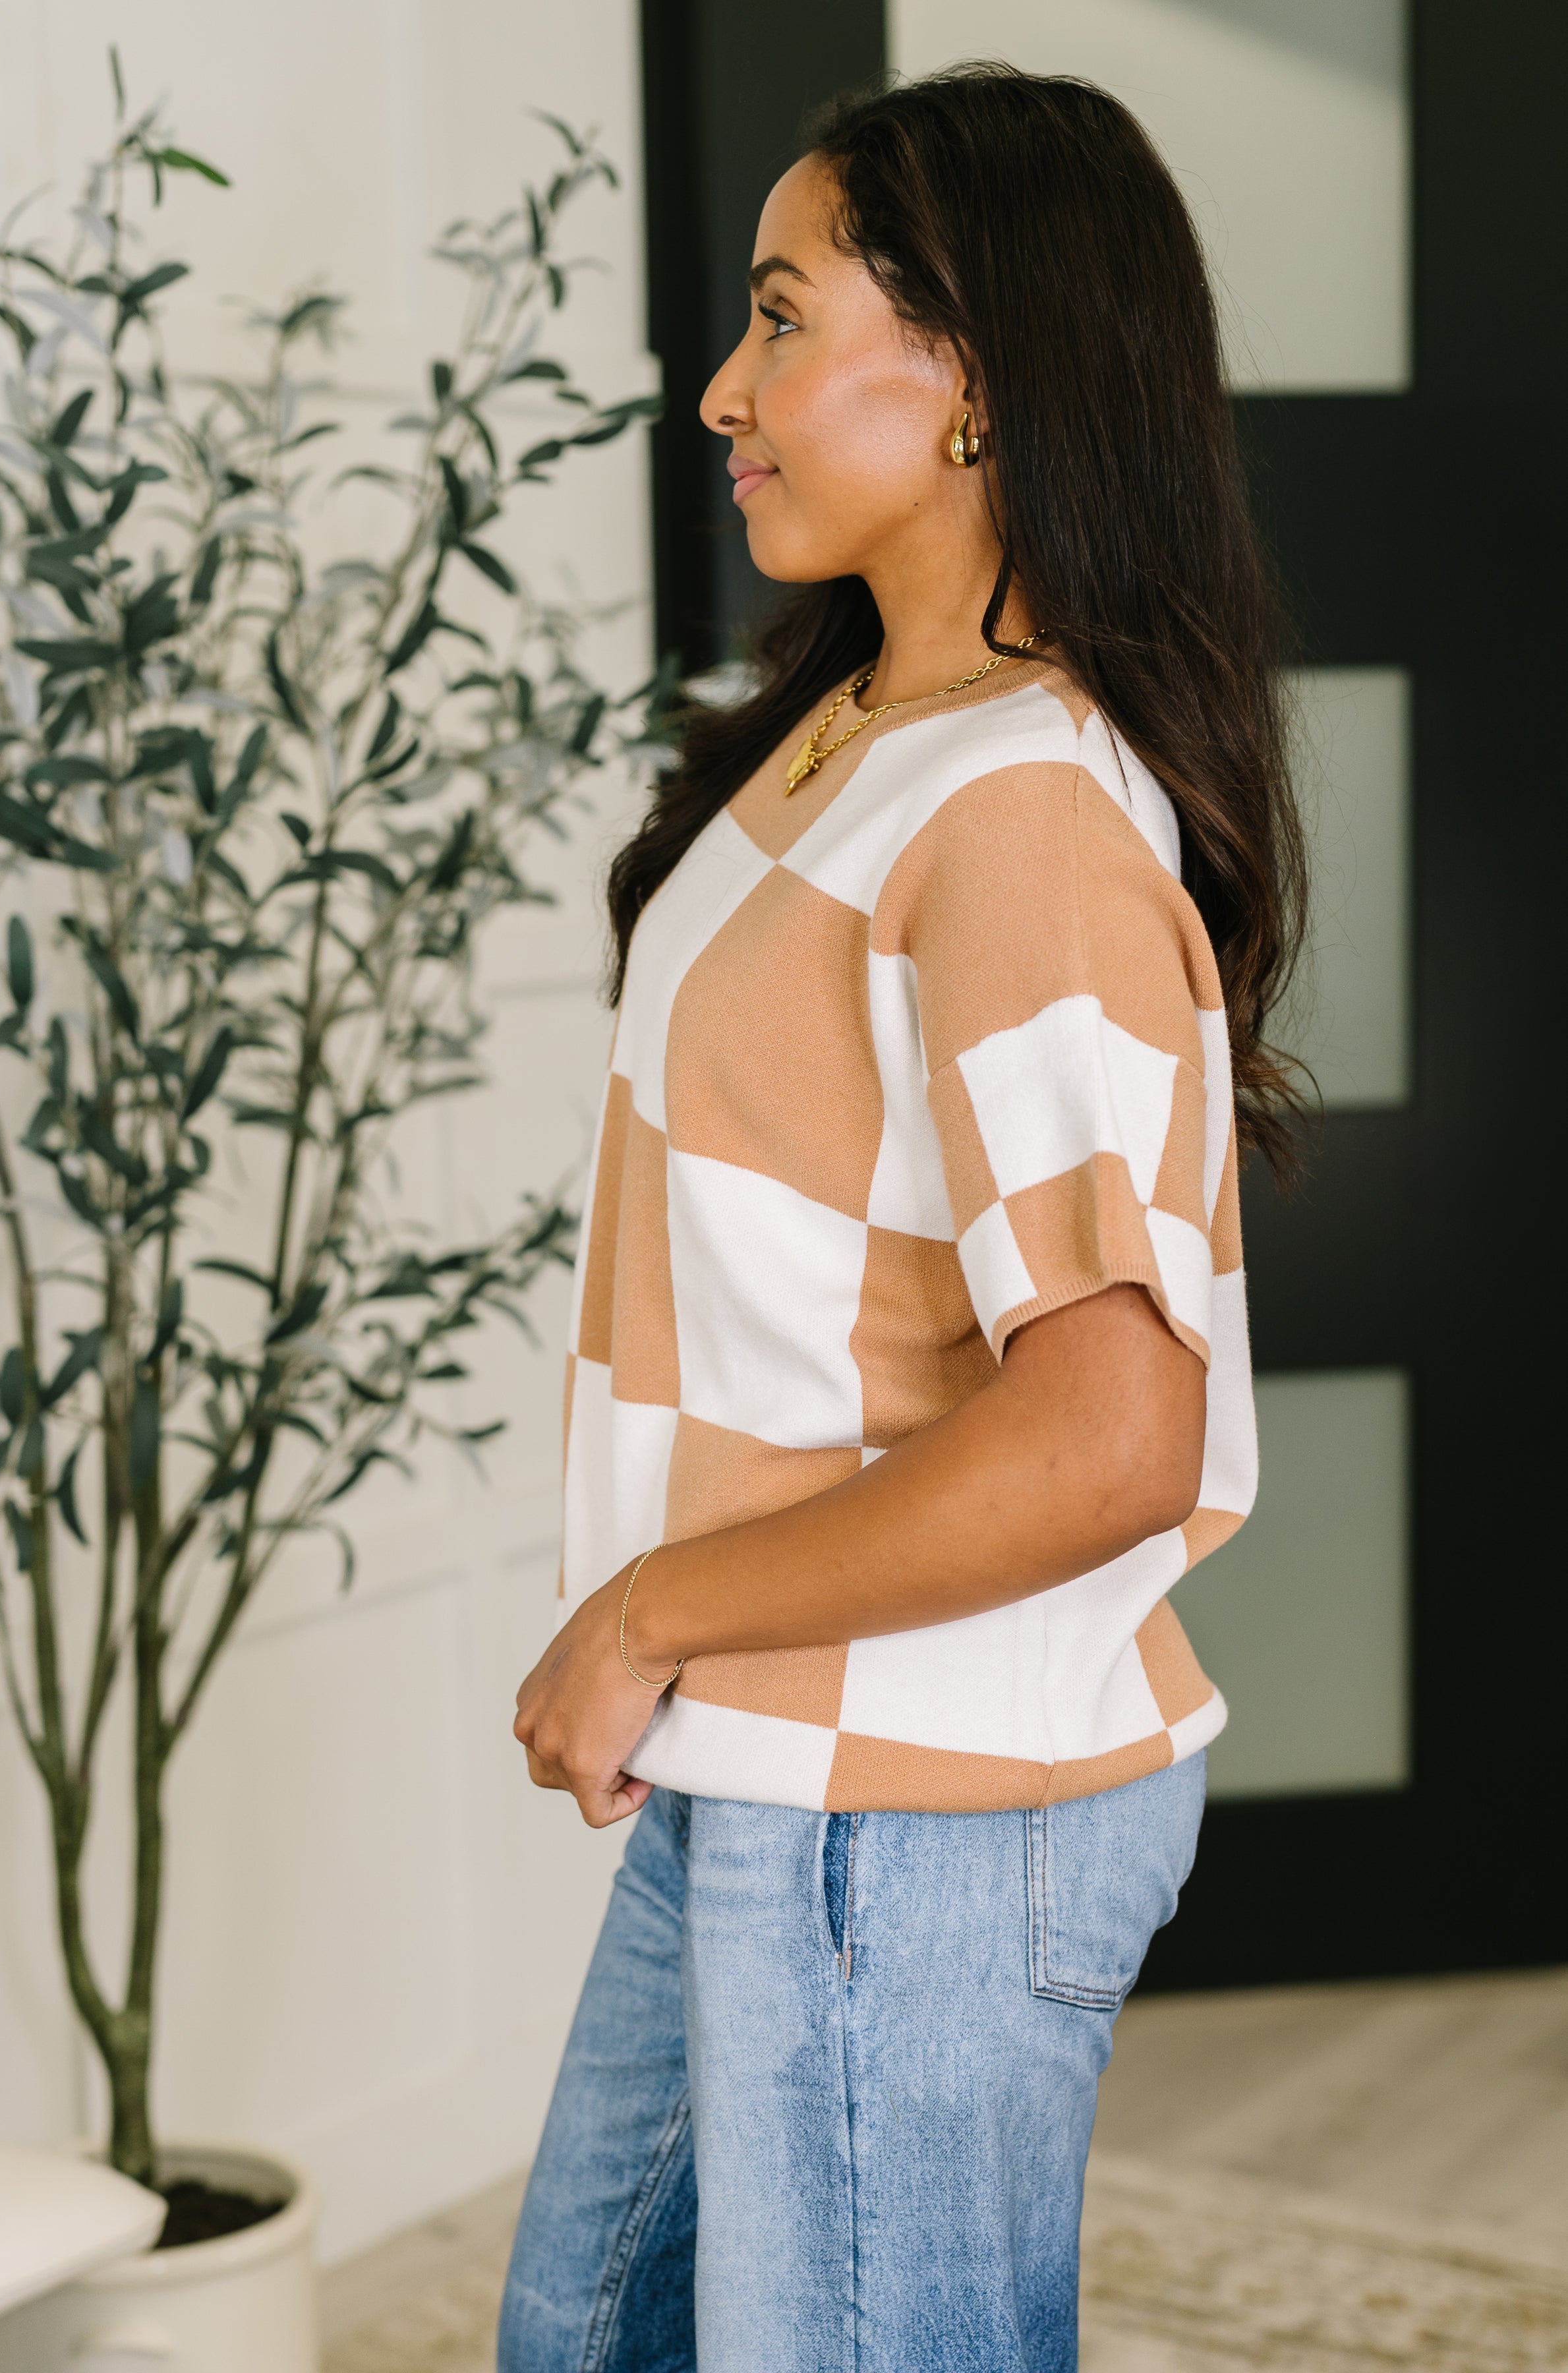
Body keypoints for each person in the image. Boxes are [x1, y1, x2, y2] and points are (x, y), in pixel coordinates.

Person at [499, 63, 1304, 2373]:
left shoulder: (1031, 813)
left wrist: (641, 1609)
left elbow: (1107, 1436)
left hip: (923, 1809)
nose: (718, 388)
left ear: (971, 374)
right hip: (781, 1755)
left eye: (777, 316)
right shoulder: (867, 724)